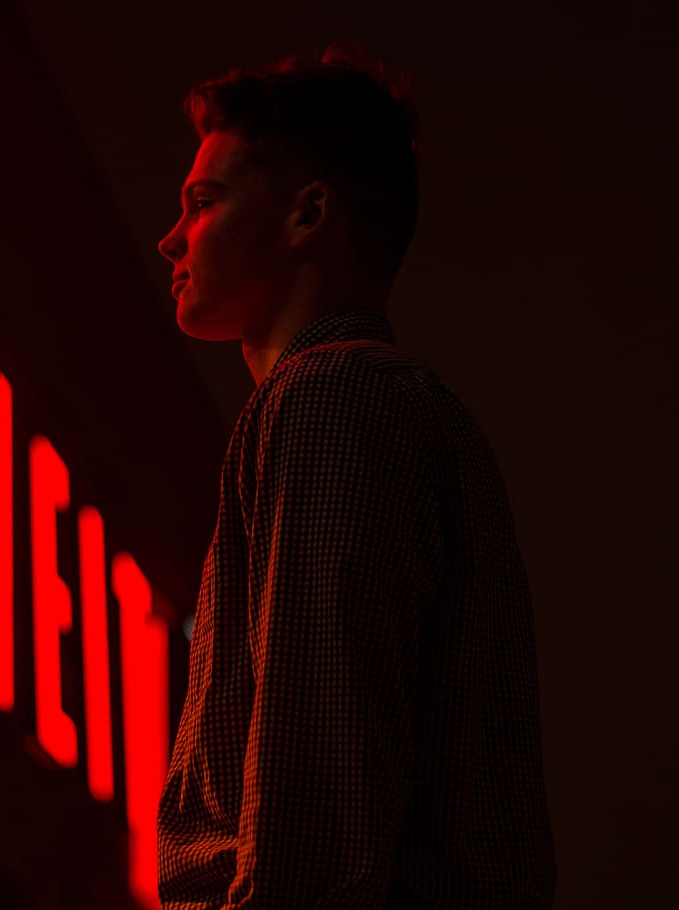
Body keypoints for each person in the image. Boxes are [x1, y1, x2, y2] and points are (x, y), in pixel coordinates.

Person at [155, 40, 557, 909]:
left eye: (205, 201)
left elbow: (317, 788)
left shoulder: (329, 402)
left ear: (308, 215)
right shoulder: (408, 414)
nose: (171, 238)